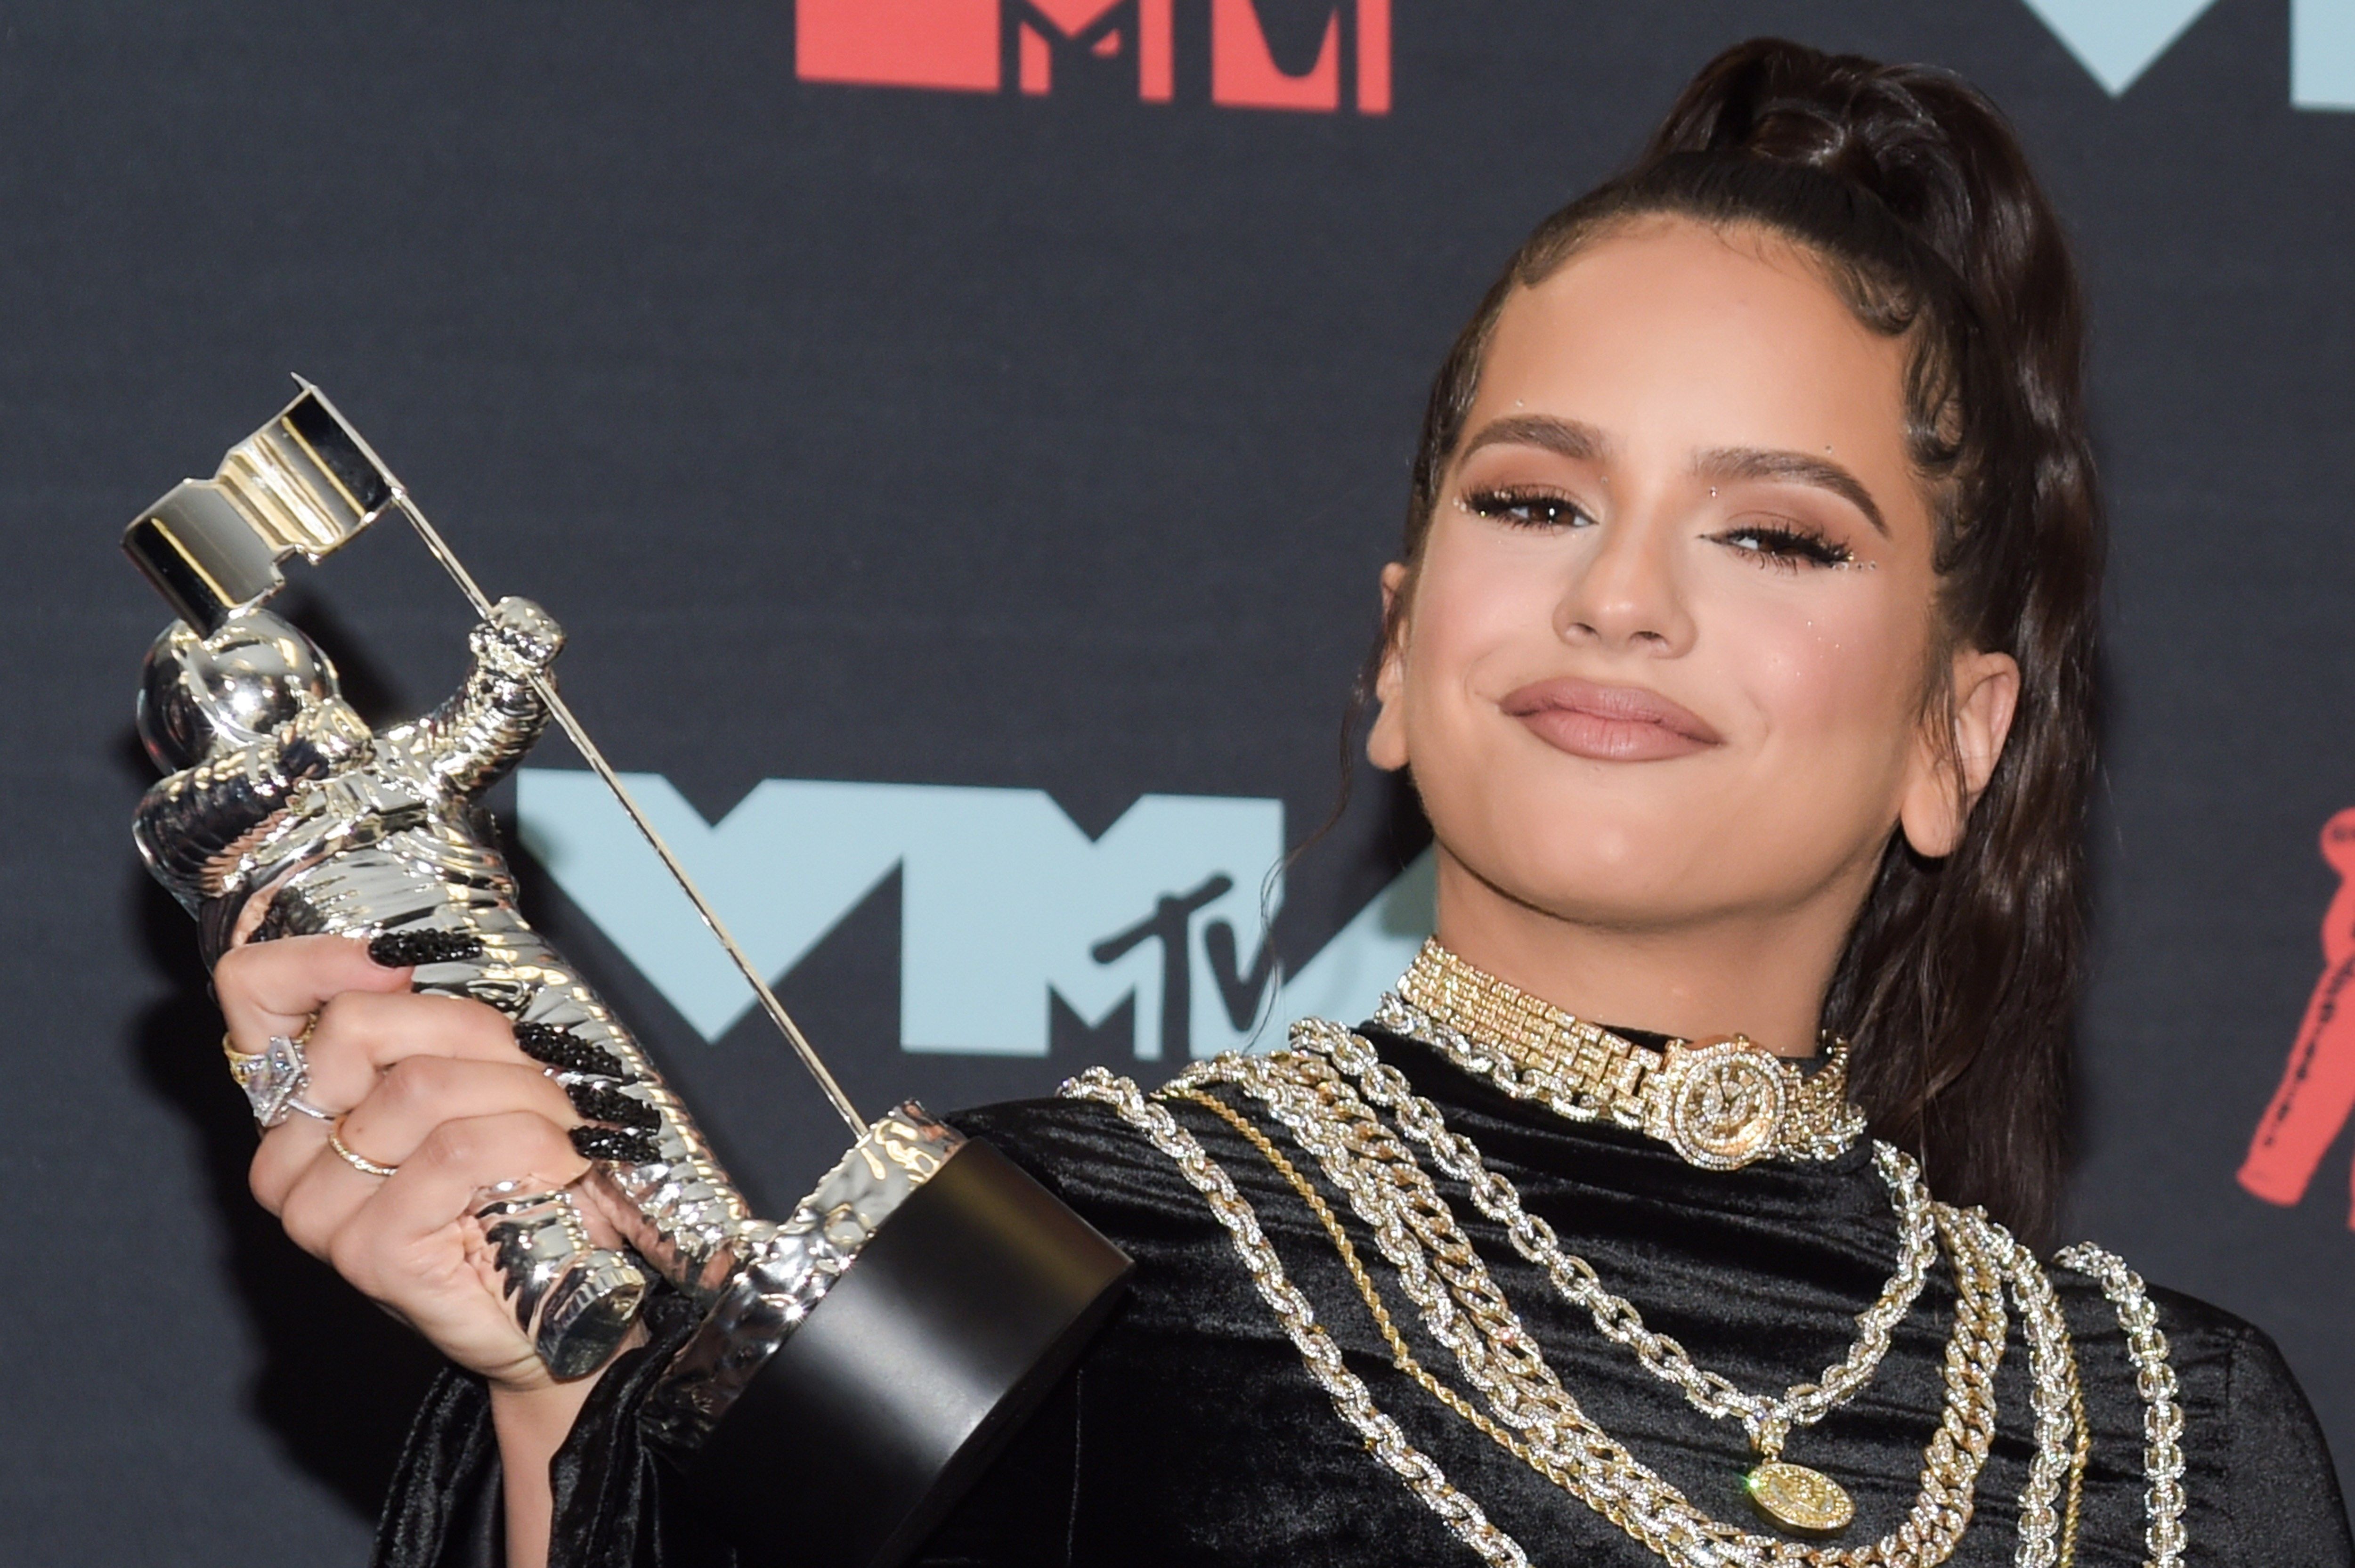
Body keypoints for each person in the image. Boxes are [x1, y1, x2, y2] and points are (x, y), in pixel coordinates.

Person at [206, 38, 2354, 1568]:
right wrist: (556, 1400)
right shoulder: (1038, 1265)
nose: (1615, 597)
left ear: (1950, 740)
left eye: (1773, 535)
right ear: (1400, 651)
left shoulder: (2175, 1439)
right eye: (1537, 498)